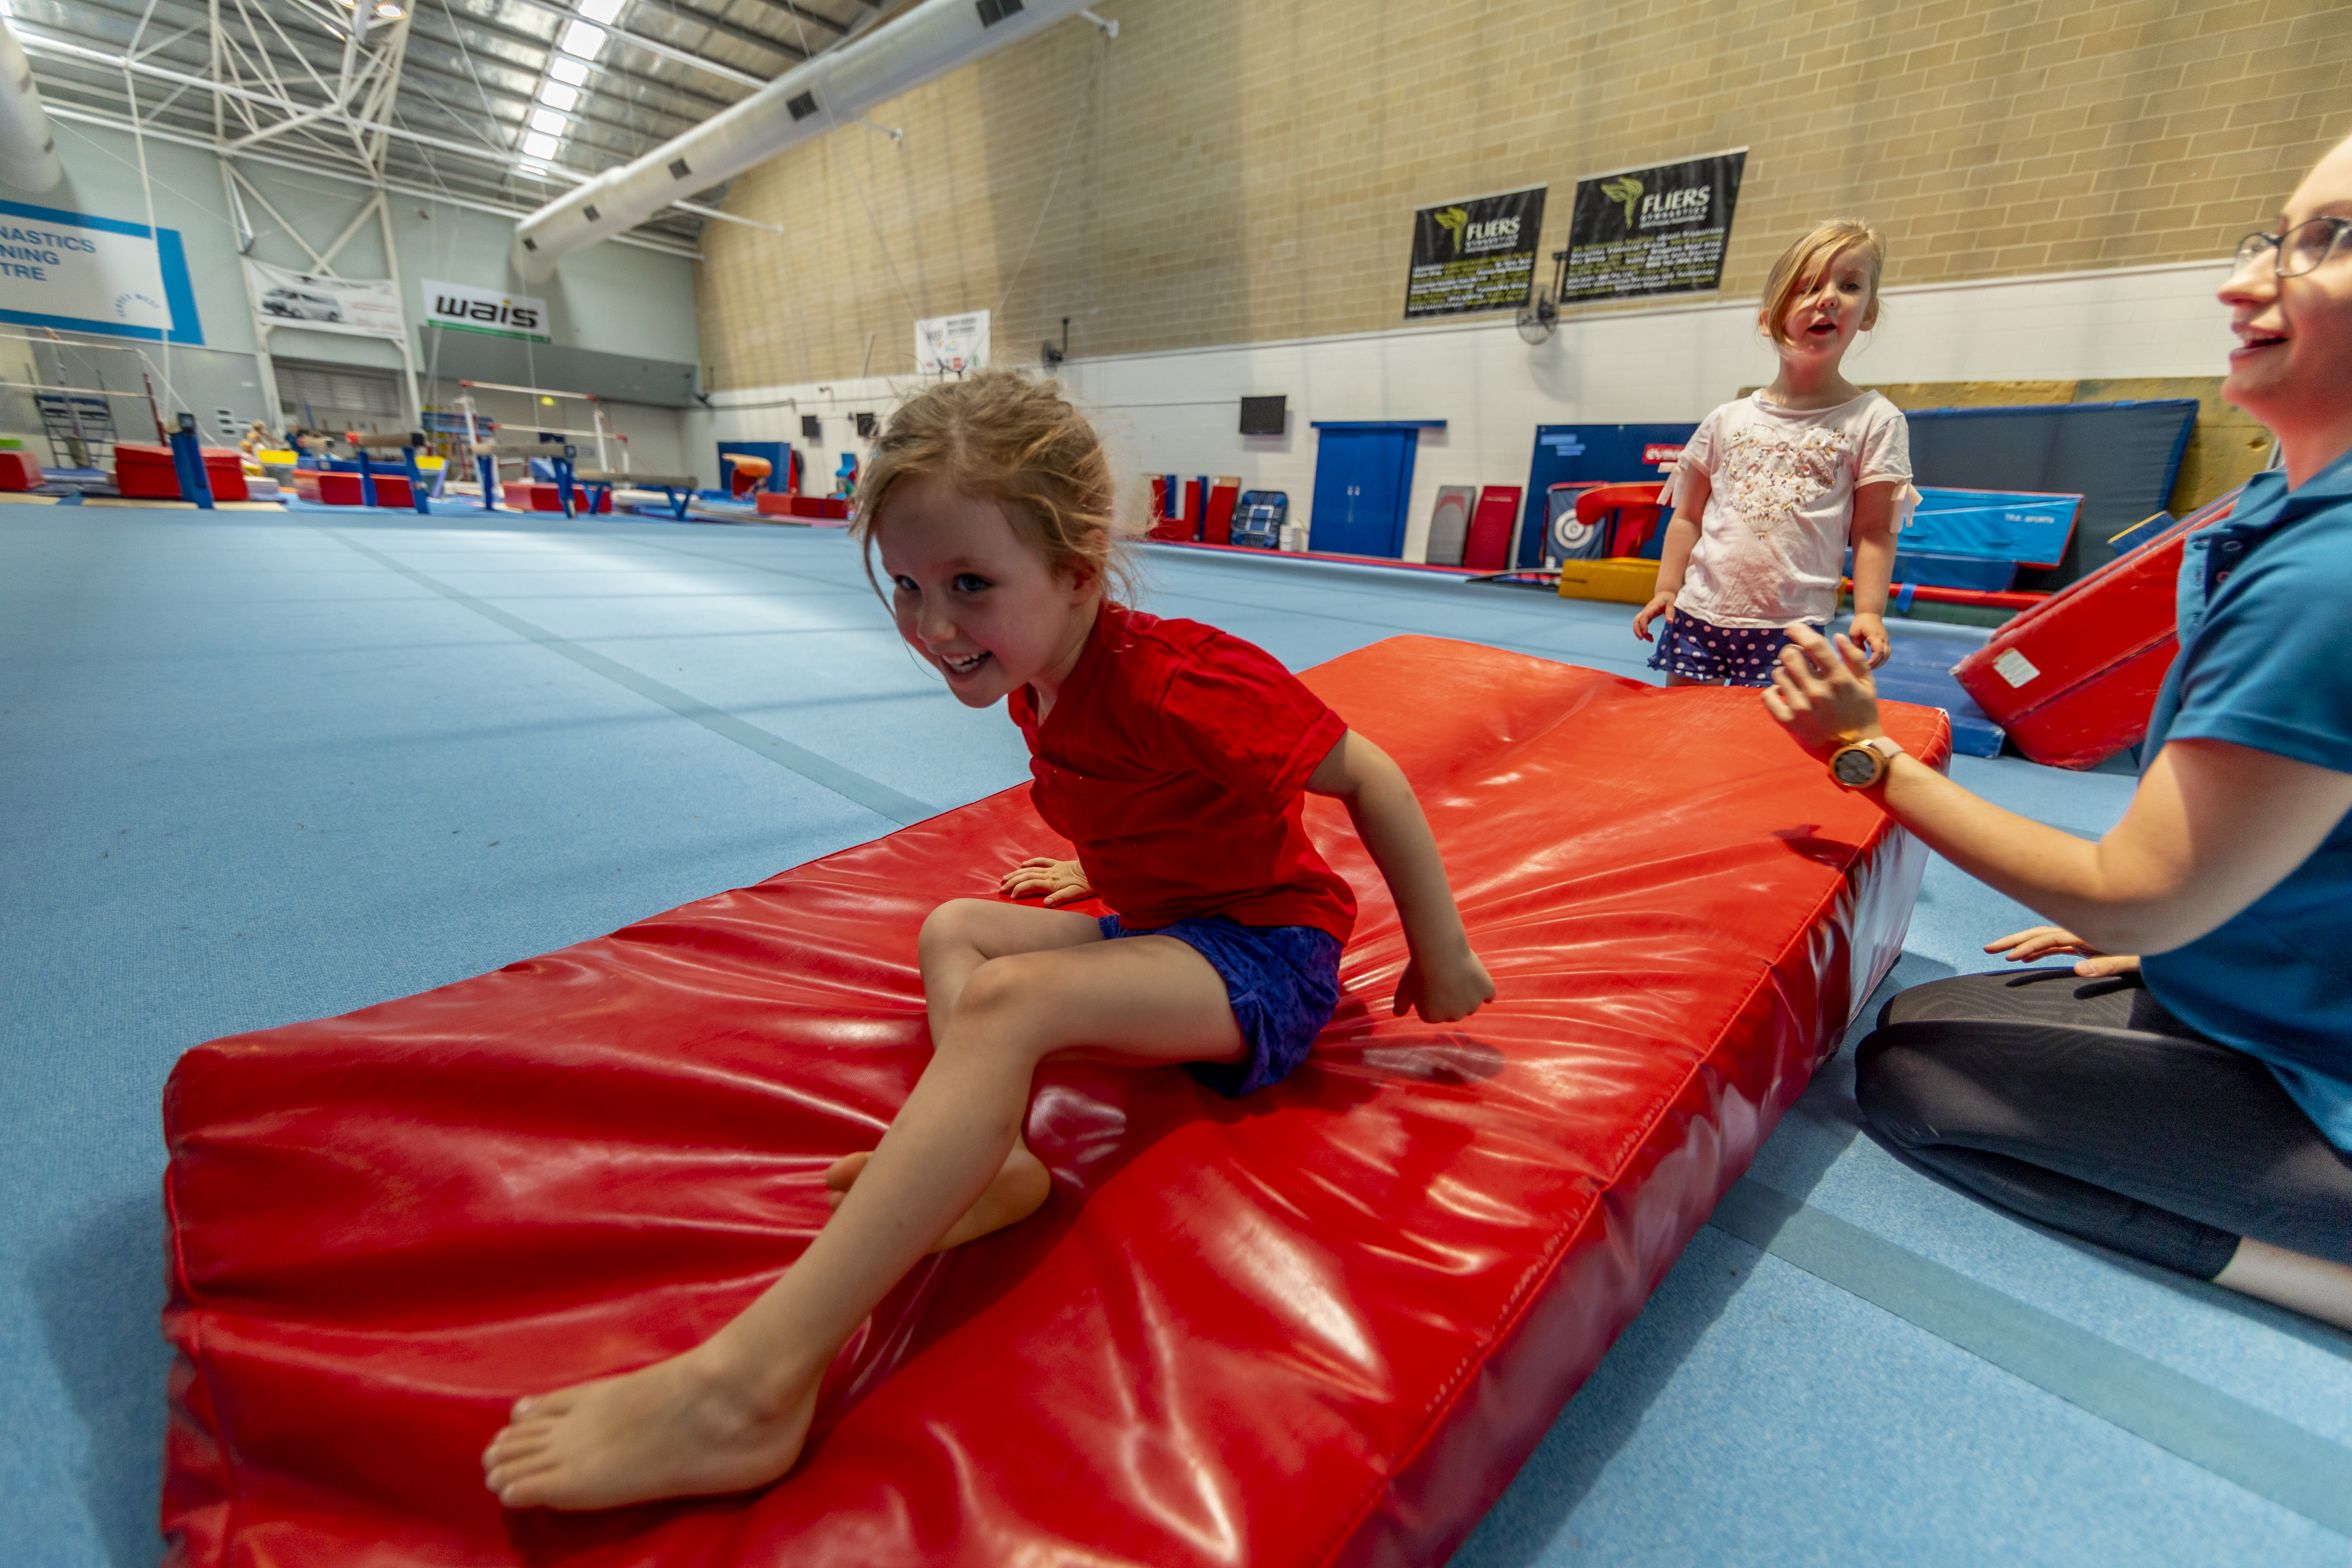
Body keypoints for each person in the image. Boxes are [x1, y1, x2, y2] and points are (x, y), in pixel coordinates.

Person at [479, 371, 1496, 1509]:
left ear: (1075, 570)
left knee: (1012, 1004)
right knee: (957, 927)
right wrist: (1104, 865)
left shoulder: (1182, 681)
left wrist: (1438, 950)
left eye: (968, 585)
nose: (931, 627)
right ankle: (995, 1164)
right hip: (1163, 917)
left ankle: (750, 1383)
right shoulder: (1036, 673)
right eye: (906, 587)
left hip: (1265, 957)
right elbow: (1145, 797)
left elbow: (1371, 775)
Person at [1758, 132, 2352, 1330]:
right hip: (2285, 987)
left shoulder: (2324, 579)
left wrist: (1855, 752)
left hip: (2318, 1066)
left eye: (2328, 244)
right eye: (2271, 238)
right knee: (1917, 1024)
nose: (2242, 285)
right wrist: (2191, 938)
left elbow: (2122, 893)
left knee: (1909, 1083)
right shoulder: (2277, 511)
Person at [1634, 218, 1913, 686]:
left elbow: (1873, 530)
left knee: (1761, 747)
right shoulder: (1727, 419)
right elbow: (1688, 517)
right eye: (1807, 287)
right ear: (1769, 319)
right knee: (1678, 738)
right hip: (1699, 611)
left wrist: (1871, 610)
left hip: (1792, 626)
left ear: (1868, 313)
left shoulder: (1875, 420)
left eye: (1848, 285)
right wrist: (1666, 588)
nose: (1827, 298)